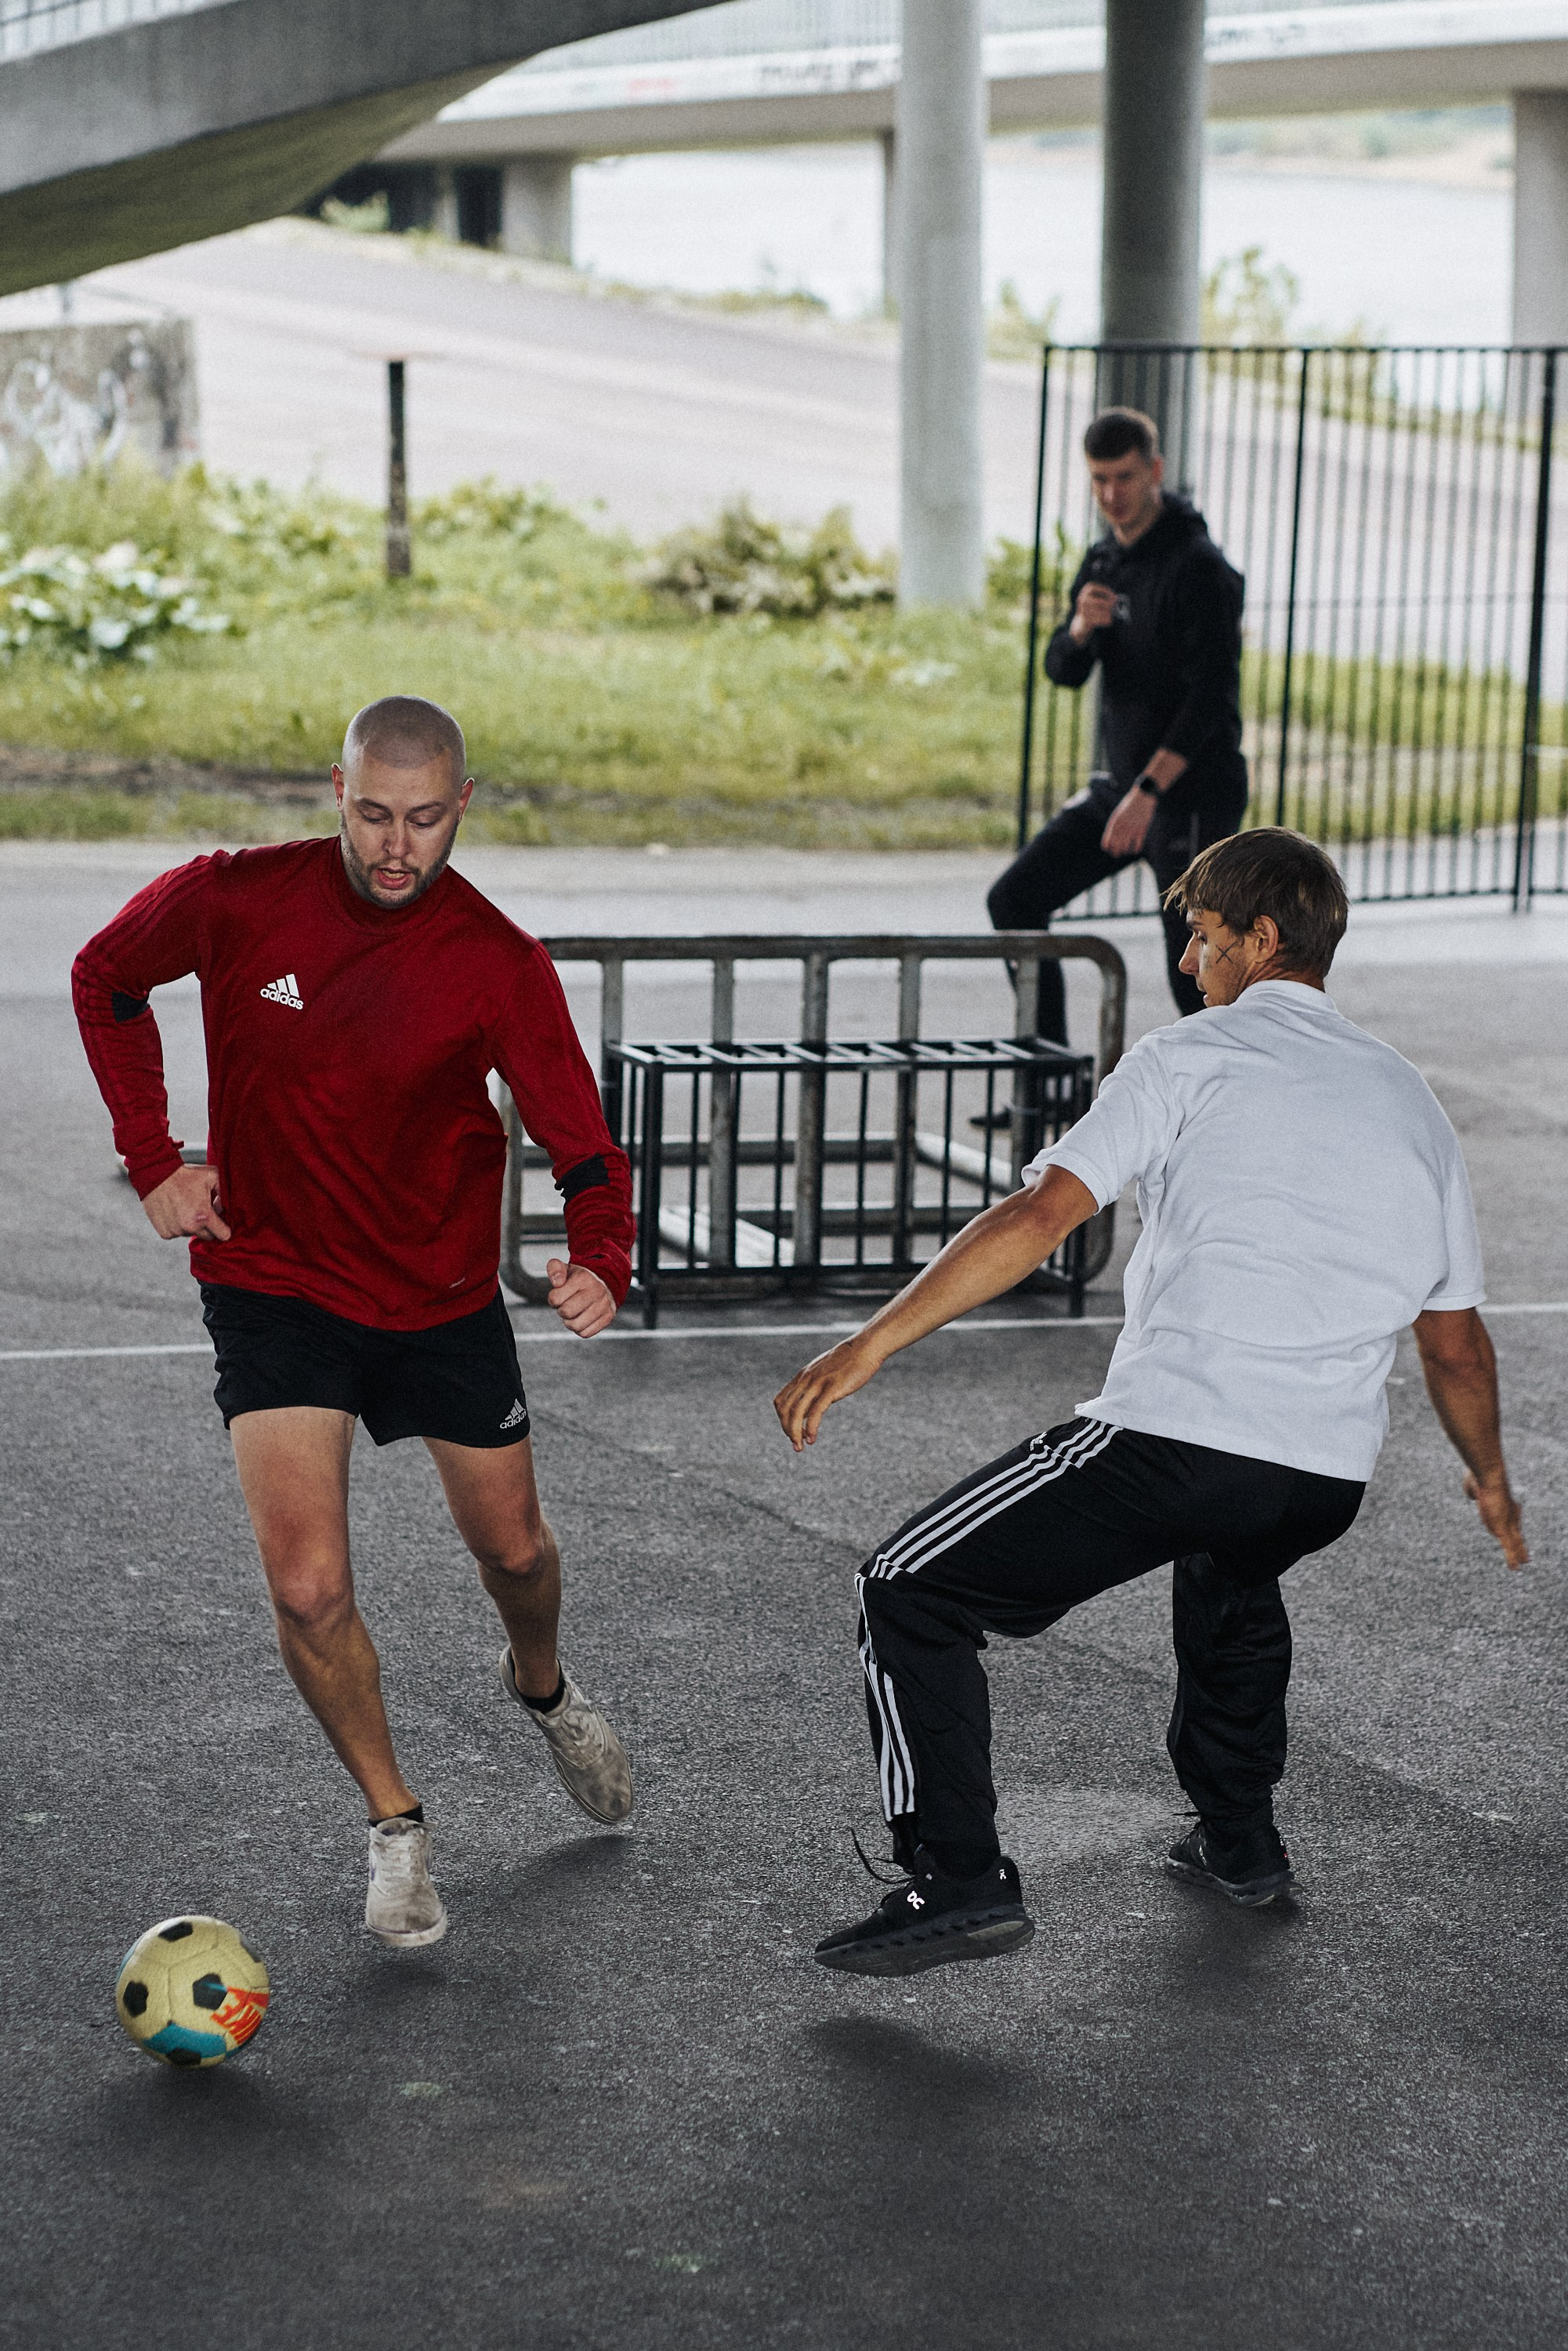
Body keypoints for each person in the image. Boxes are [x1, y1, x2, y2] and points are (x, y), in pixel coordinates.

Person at [775, 829, 1526, 1980]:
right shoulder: (1405, 1096)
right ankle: (1240, 1841)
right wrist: (1488, 1474)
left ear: (1263, 940)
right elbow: (1454, 1341)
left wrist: (872, 1341)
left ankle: (958, 1878)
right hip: (1321, 1478)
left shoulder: (1190, 1058)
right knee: (1232, 1559)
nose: (1189, 961)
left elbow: (1036, 1220)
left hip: (1184, 1437)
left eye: (1204, 936)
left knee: (908, 1589)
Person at [74, 696, 637, 1950]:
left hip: (437, 1298)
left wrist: (602, 1255)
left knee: (515, 1551)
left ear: (463, 808)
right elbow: (105, 976)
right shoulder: (234, 898)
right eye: (374, 814)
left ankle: (539, 1684)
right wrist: (155, 1153)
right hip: (270, 1278)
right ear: (337, 789)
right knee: (308, 1584)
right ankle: (397, 1822)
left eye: (426, 820)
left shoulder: (497, 959)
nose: (397, 848)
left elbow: (584, 1146)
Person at [987, 405, 1248, 1046]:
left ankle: (1226, 1105)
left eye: (1124, 478)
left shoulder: (1197, 567)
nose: (1111, 495)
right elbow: (1062, 670)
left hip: (1188, 793)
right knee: (1015, 901)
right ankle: (1042, 1079)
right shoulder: (1105, 558)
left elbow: (1209, 698)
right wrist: (1079, 631)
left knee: (1193, 965)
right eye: (1099, 480)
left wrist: (1148, 794)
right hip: (1124, 786)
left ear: (1154, 471)